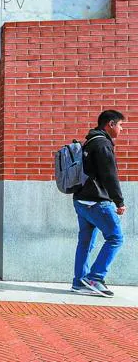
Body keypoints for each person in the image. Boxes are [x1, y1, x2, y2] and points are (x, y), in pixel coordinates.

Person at [71, 110, 126, 298]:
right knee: (116, 238)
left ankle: (79, 281)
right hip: (96, 202)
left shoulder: (90, 141)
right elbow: (110, 176)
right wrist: (119, 201)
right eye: (120, 125)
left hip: (81, 200)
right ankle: (95, 277)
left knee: (85, 243)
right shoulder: (103, 144)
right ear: (110, 124)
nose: (121, 129)